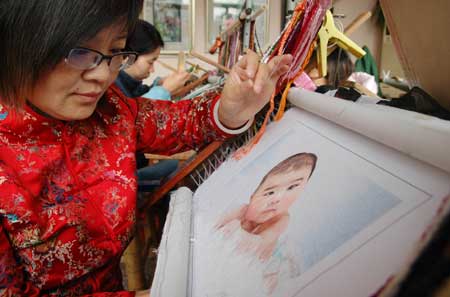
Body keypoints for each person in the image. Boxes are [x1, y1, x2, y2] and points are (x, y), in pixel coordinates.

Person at [0, 0, 292, 296]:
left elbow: (183, 122)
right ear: (18, 43)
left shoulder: (110, 109)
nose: (102, 76)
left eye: (116, 53)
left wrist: (233, 107)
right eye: (80, 52)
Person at [212, 153, 317, 295]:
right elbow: (213, 228)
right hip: (245, 258)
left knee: (272, 280)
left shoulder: (281, 218)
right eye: (269, 192)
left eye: (291, 188)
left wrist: (239, 233)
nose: (277, 199)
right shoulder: (241, 210)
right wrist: (226, 229)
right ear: (252, 197)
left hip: (269, 259)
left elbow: (261, 243)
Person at [115, 19, 190, 100]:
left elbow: (137, 98)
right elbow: (134, 110)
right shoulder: (112, 89)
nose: (152, 70)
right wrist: (164, 90)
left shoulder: (129, 85)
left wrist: (158, 85)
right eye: (150, 62)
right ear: (129, 57)